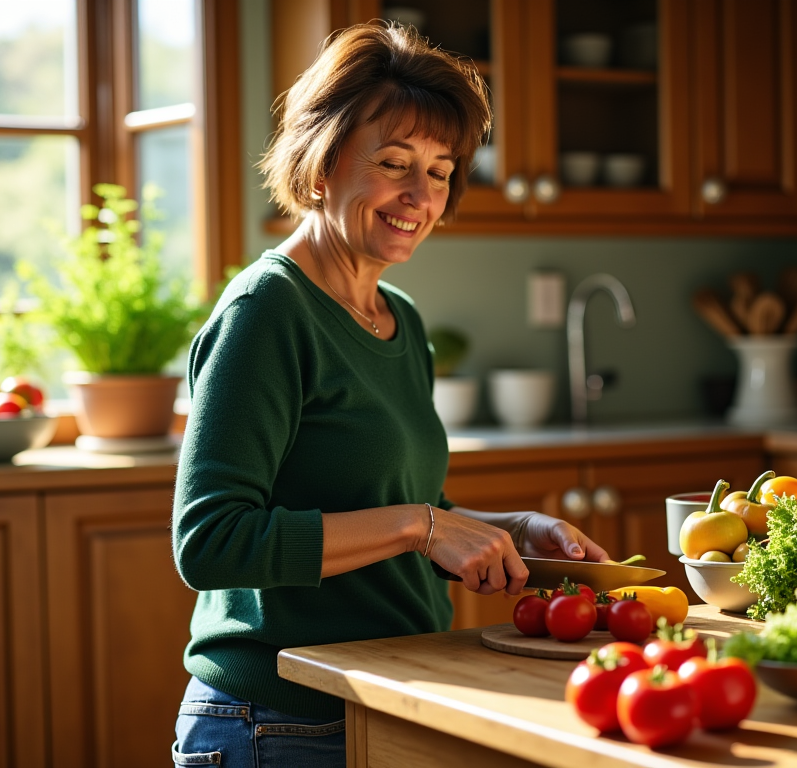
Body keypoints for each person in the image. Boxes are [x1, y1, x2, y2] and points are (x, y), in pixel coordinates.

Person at [169, 23, 610, 767]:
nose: (420, 194)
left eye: (440, 171)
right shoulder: (267, 313)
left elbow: (401, 510)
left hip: (387, 695)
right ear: (320, 167)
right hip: (276, 722)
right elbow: (210, 543)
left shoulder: (397, 317)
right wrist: (424, 526)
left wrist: (507, 530)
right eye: (394, 162)